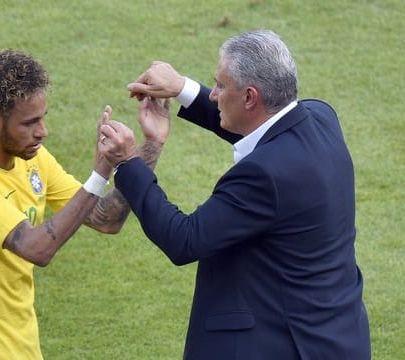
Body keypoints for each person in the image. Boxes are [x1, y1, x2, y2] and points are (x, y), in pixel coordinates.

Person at [98, 30, 371, 359]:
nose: (213, 94)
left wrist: (128, 162)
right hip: (339, 337)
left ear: (250, 97)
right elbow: (261, 130)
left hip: (283, 345)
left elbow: (184, 239)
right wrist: (183, 88)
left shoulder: (263, 176)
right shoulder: (320, 117)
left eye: (220, 85)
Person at [0, 49, 167, 359]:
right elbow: (36, 248)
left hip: (23, 348)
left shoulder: (34, 160)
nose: (42, 131)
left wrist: (149, 146)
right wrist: (100, 171)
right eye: (29, 123)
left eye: (42, 118)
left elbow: (104, 218)